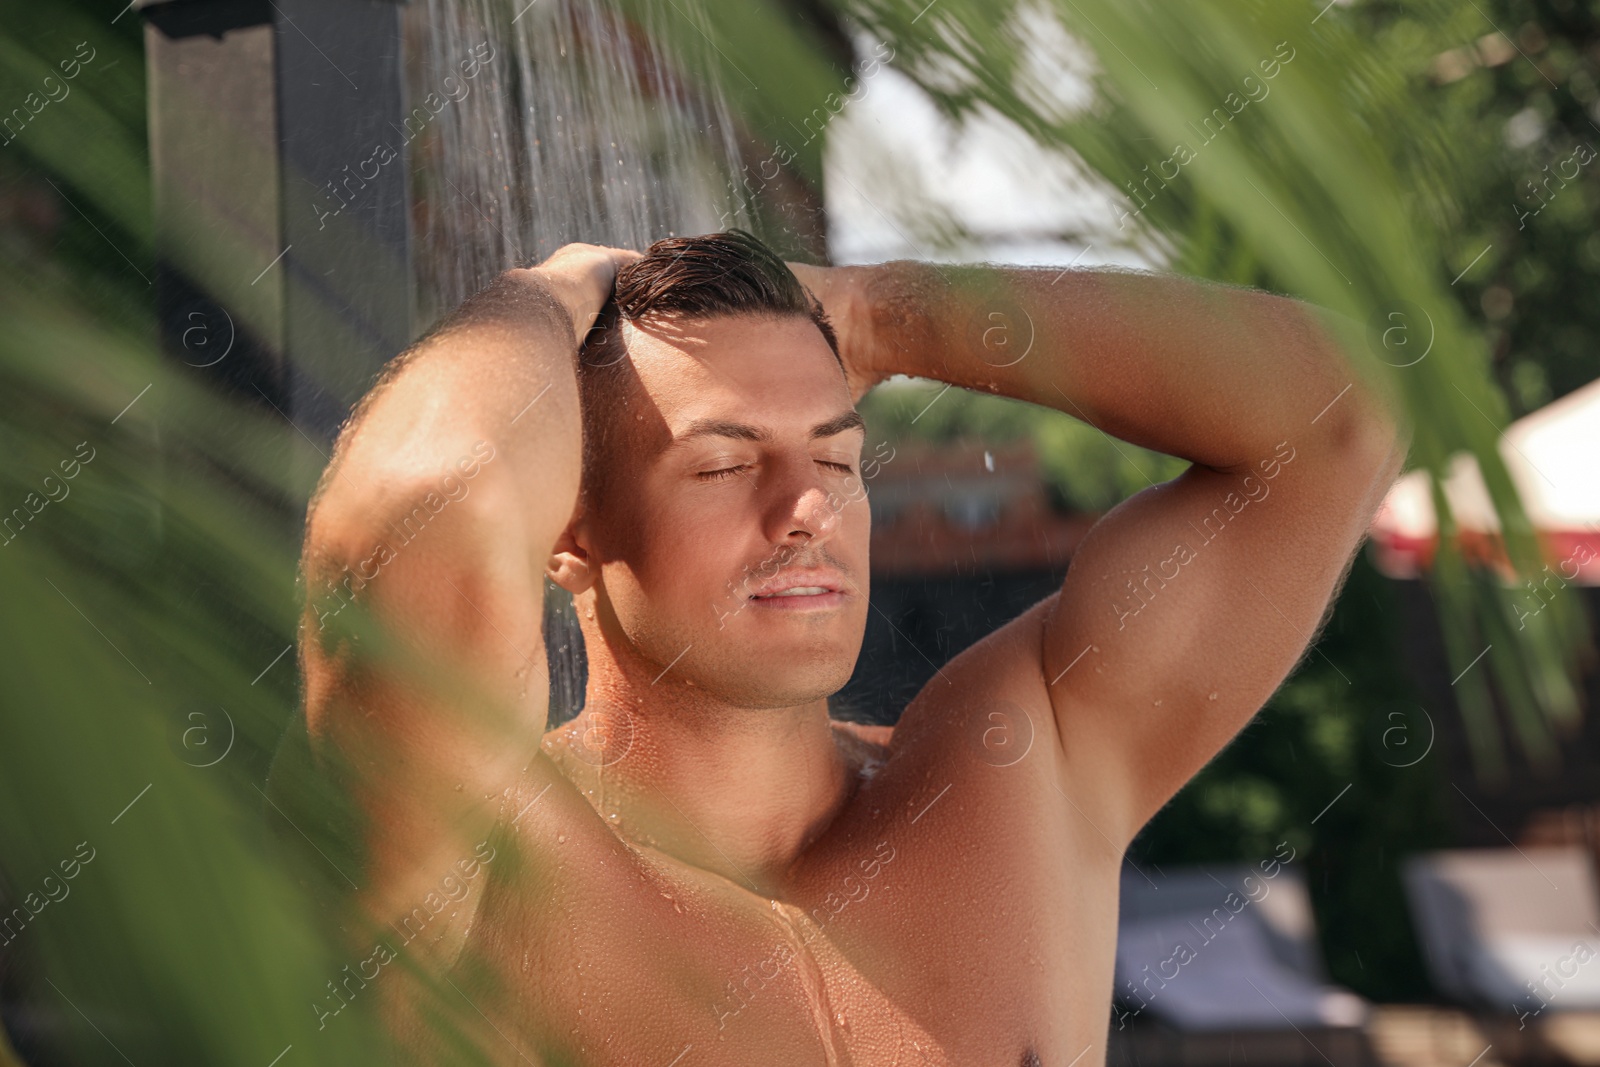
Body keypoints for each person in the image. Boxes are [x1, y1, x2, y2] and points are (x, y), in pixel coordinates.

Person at [295, 229, 1404, 1065]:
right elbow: (427, 519)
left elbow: (1337, 418)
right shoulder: (477, 850)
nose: (805, 510)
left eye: (834, 461)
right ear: (569, 538)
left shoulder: (1024, 772)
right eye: (725, 464)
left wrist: (883, 314)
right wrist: (547, 289)